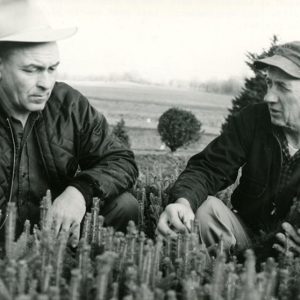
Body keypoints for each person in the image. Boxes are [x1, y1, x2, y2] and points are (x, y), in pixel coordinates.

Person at [0, 0, 139, 246]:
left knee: (124, 205)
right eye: (32, 70)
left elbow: (120, 159)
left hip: (59, 235)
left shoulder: (69, 104)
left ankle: (85, 272)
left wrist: (79, 193)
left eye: (52, 69)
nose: (46, 83)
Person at [157, 40, 300, 255]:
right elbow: (209, 168)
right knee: (206, 210)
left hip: (291, 249)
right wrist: (183, 202)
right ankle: (213, 279)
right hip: (246, 233)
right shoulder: (253, 119)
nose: (268, 97)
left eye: (283, 87)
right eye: (270, 83)